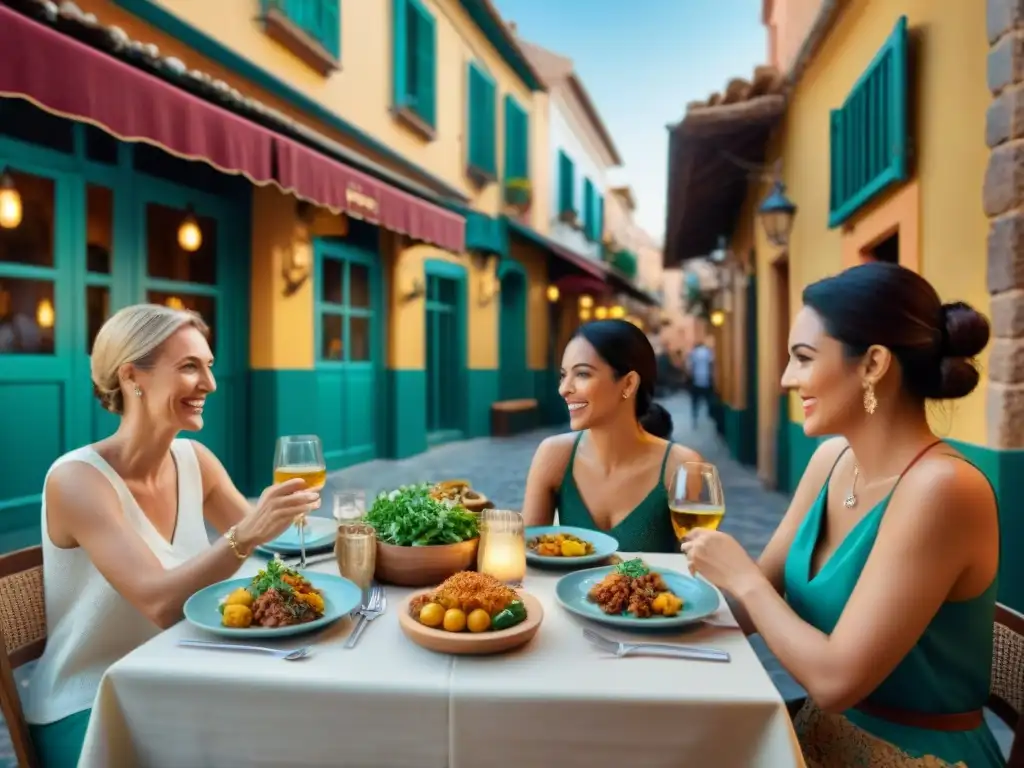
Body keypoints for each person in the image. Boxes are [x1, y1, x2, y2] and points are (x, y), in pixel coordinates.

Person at [681, 262, 1003, 766]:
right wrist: (635, 594)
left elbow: (834, 682)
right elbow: (744, 609)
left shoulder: (943, 489)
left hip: (914, 756)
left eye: (804, 358)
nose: (788, 379)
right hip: (815, 739)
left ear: (873, 364)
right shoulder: (831, 460)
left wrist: (742, 578)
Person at [23, 305, 320, 767]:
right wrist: (248, 531)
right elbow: (161, 604)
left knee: (292, 732)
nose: (209, 384)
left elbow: (270, 546)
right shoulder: (77, 480)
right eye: (189, 367)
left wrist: (319, 531)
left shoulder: (194, 460)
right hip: (93, 701)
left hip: (177, 674)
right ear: (131, 377)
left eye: (209, 366)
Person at [521, 319, 703, 552]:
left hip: (654, 590)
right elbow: (527, 559)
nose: (564, 388)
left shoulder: (681, 467)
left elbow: (697, 572)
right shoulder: (555, 455)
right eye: (563, 375)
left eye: (582, 374)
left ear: (628, 383)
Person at [686, 339, 714, 429]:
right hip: (706, 380)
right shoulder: (708, 352)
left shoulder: (693, 353)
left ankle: (695, 419)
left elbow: (689, 367)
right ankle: (710, 417)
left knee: (695, 403)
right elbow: (712, 364)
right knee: (709, 400)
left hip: (696, 381)